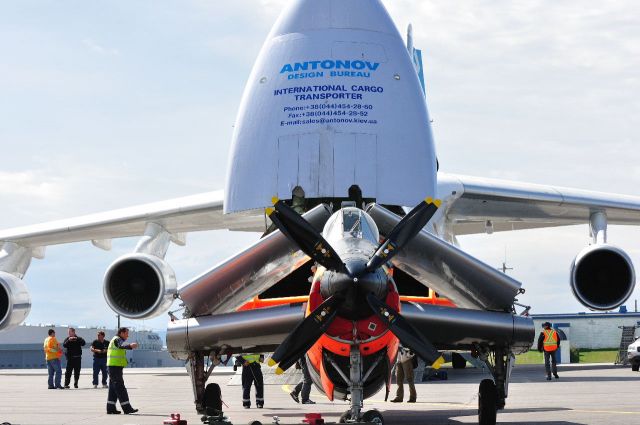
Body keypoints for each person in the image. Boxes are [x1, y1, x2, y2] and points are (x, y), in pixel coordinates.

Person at [106, 327, 139, 414]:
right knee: (120, 388)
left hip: (114, 367)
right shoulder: (117, 339)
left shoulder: (115, 339)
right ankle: (127, 408)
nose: (127, 336)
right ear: (121, 333)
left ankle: (110, 408)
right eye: (126, 333)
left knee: (113, 388)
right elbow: (120, 346)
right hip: (114, 368)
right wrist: (130, 346)